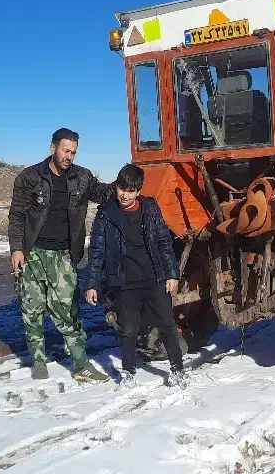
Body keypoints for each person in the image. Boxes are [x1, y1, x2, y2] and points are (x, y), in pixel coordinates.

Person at [7, 128, 112, 382]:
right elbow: (17, 215)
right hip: (33, 253)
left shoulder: (82, 178)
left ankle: (81, 365)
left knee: (68, 311)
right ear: (52, 148)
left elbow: (105, 194)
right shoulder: (29, 178)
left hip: (64, 255)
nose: (69, 156)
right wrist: (17, 249)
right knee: (32, 308)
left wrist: (127, 181)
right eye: (65, 150)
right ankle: (38, 362)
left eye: (73, 152)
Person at [84, 163, 186, 388]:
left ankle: (178, 369)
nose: (125, 195)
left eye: (131, 191)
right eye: (122, 188)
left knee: (167, 324)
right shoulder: (106, 213)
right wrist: (92, 283)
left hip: (153, 278)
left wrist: (171, 274)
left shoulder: (150, 208)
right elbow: (97, 250)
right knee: (128, 329)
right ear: (116, 186)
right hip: (123, 281)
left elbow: (163, 242)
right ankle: (129, 372)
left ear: (138, 191)